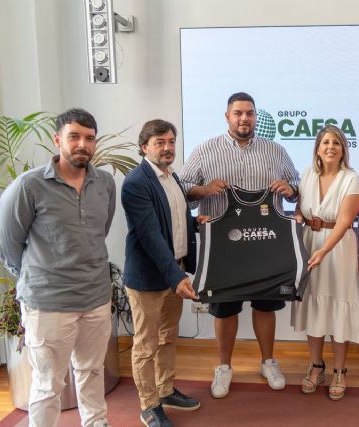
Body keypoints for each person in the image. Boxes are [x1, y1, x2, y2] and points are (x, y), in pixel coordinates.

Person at [0, 109, 115, 427]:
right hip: (48, 304)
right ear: (57, 139)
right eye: (74, 136)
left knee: (92, 371)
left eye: (89, 138)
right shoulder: (28, 186)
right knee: (48, 385)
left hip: (96, 299)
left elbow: (98, 233)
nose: (82, 144)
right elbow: (6, 245)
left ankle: (96, 422)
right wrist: (41, 277)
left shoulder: (105, 183)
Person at [180, 92, 299, 399]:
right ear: (227, 116)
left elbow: (297, 186)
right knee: (224, 308)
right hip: (224, 247)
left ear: (256, 116)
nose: (244, 118)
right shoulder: (205, 150)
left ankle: (268, 362)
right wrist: (204, 189)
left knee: (266, 304)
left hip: (266, 244)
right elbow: (182, 188)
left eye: (249, 113)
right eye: (238, 113)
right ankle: (224, 367)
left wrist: (290, 189)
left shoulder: (275, 150)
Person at [122, 120, 202, 427]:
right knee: (146, 344)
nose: (168, 147)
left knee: (168, 337)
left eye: (171, 142)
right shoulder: (136, 183)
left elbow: (173, 219)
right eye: (160, 142)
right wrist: (176, 278)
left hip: (174, 270)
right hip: (149, 278)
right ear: (144, 147)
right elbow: (150, 235)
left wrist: (195, 223)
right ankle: (149, 405)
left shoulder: (172, 176)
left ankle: (165, 391)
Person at [291, 125, 359, 401]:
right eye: (325, 142)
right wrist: (298, 219)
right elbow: (300, 209)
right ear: (317, 148)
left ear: (343, 149)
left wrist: (324, 250)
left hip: (338, 247)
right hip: (309, 243)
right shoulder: (307, 174)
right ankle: (316, 366)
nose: (331, 147)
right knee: (313, 302)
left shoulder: (351, 178)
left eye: (336, 142)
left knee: (338, 303)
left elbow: (345, 221)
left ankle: (340, 371)